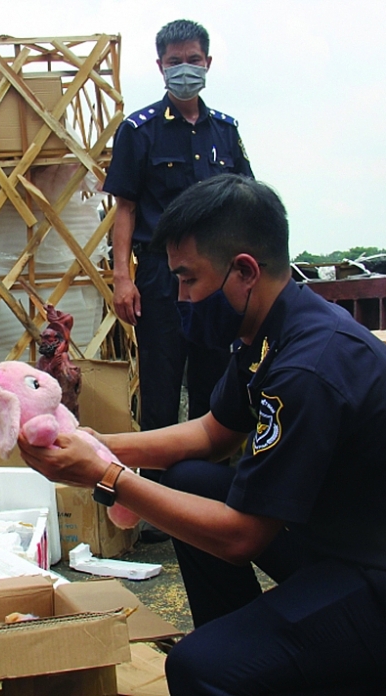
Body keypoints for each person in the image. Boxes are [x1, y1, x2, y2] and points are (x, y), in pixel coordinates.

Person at [19, 175, 386, 695]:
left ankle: (340, 668)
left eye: (189, 280)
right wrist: (90, 442)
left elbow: (242, 538)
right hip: (349, 545)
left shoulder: (308, 367)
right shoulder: (271, 332)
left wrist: (104, 476)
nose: (180, 297)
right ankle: (261, 662)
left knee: (196, 669)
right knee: (190, 480)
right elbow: (212, 432)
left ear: (244, 271)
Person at [103, 20, 253, 540]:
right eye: (174, 61)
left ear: (207, 63)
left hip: (217, 278)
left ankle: (214, 497)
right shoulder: (139, 130)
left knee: (218, 386)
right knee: (162, 388)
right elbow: (125, 208)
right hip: (160, 275)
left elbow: (245, 202)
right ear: (160, 65)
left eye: (192, 59)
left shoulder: (225, 131)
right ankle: (159, 506)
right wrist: (123, 278)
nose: (184, 69)